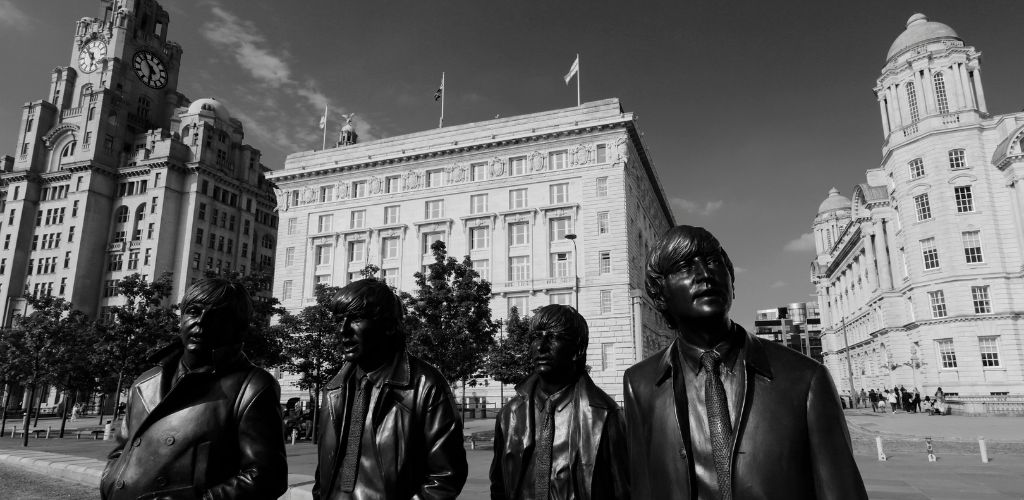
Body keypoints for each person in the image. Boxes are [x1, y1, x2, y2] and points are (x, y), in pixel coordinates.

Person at [623, 225, 866, 500]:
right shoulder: (639, 383)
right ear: (659, 294)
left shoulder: (805, 378)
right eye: (684, 267)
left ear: (732, 281)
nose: (705, 275)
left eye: (714, 262)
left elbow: (841, 489)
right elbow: (643, 487)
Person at [100, 278, 288, 500]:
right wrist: (109, 480)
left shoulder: (252, 387)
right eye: (193, 311)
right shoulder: (144, 383)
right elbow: (122, 450)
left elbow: (267, 476)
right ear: (180, 319)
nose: (202, 321)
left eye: (218, 315)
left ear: (238, 328)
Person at [313, 279, 467, 499]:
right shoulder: (334, 389)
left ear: (388, 325)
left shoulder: (425, 385)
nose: (343, 330)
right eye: (339, 320)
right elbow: (324, 470)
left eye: (356, 319)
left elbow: (445, 477)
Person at [490, 305, 629, 500]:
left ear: (578, 349)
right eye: (536, 337)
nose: (541, 346)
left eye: (554, 337)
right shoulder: (509, 415)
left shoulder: (605, 416)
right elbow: (499, 486)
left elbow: (622, 491)